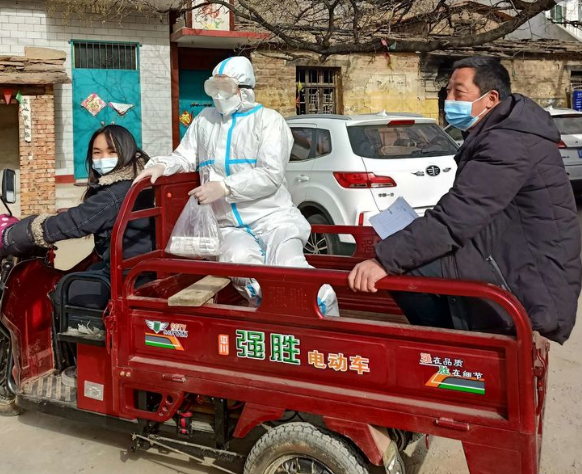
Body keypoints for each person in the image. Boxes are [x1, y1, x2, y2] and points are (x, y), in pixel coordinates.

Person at [348, 56, 581, 344]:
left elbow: (456, 218)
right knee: (412, 252)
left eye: (459, 93)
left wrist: (384, 262)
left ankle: (449, 348)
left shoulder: (508, 143)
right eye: (447, 92)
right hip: (505, 257)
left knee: (404, 270)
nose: (449, 100)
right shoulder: (500, 133)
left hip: (527, 278)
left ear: (490, 99)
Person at [135, 56, 339, 315]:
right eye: (214, 87)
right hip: (228, 225)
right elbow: (185, 156)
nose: (218, 95)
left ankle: (327, 322)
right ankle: (271, 322)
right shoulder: (205, 120)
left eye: (225, 87)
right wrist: (163, 165)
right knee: (240, 266)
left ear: (245, 89)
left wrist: (225, 187)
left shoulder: (269, 121)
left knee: (291, 268)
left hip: (273, 219)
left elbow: (270, 174)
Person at [0, 124, 154, 309]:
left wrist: (16, 234)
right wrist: (78, 211)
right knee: (86, 268)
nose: (103, 158)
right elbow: (97, 214)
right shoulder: (135, 182)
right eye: (97, 152)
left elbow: (75, 222)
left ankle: (75, 328)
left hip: (127, 276)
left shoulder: (115, 193)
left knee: (63, 289)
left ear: (126, 151)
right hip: (135, 267)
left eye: (112, 151)